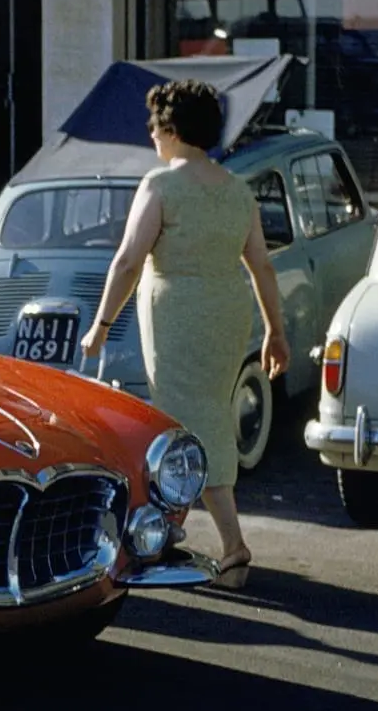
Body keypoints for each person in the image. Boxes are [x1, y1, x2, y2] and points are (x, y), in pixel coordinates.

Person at [78, 79, 291, 590]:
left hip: (178, 311)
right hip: (227, 307)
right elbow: (261, 265)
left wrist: (101, 325)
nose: (151, 135)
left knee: (183, 423)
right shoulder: (237, 189)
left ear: (172, 129)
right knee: (205, 416)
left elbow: (129, 260)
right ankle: (169, 530)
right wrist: (275, 332)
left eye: (155, 126)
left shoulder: (160, 185)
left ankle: (232, 545)